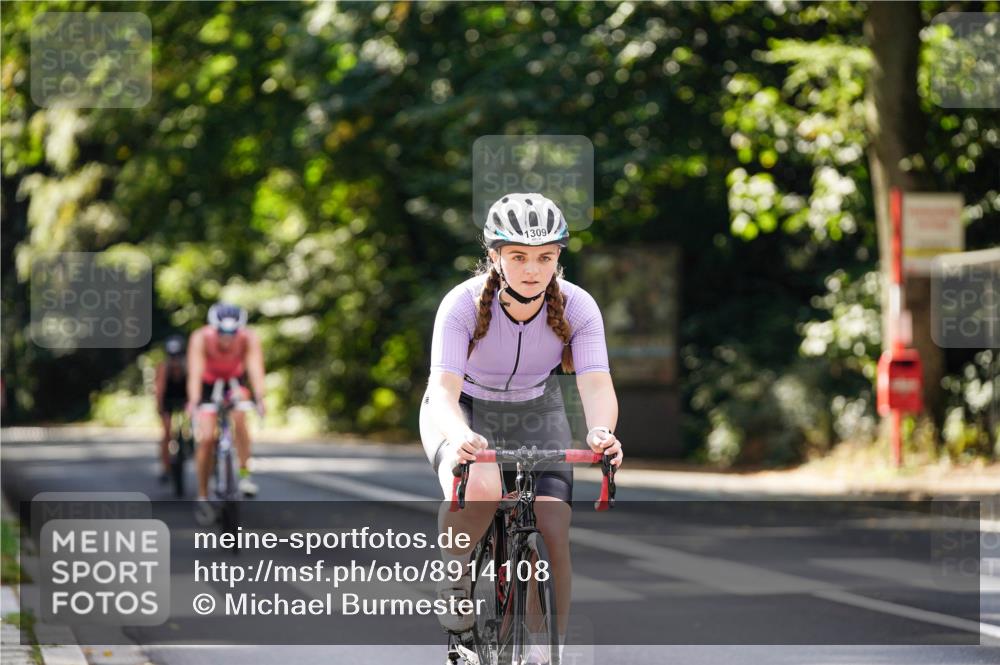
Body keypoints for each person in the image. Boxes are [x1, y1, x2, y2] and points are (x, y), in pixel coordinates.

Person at [420, 193, 624, 664]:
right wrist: (459, 436)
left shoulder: (578, 306)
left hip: (537, 409)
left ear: (557, 258)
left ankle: (548, 650)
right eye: (518, 257)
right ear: (494, 256)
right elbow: (443, 391)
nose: (532, 269)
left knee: (554, 520)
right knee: (484, 487)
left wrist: (601, 432)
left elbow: (596, 384)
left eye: (545, 257)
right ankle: (455, 578)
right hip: (463, 408)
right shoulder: (462, 305)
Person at [186, 303, 266, 523]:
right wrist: (194, 402)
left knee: (240, 417)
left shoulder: (248, 338)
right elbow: (195, 373)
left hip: (233, 383)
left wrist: (260, 399)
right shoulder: (201, 338)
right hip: (208, 385)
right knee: (207, 438)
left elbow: (255, 369)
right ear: (214, 328)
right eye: (223, 332)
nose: (227, 338)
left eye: (233, 332)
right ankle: (202, 495)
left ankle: (243, 474)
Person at [154, 334, 188, 482]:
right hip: (168, 400)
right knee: (167, 431)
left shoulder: (188, 367)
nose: (175, 361)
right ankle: (166, 467)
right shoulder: (163, 368)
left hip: (185, 399)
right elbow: (159, 390)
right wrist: (160, 408)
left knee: (192, 426)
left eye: (178, 356)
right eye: (172, 356)